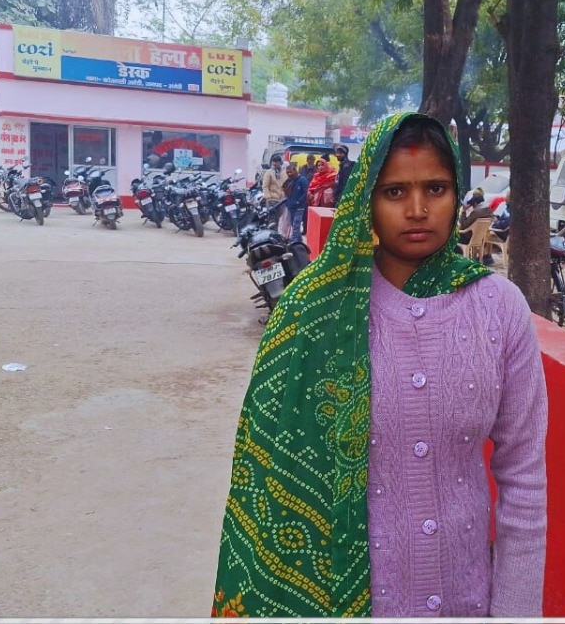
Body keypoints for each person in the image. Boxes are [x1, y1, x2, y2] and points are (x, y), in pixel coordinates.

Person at [212, 112, 547, 618]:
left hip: (467, 601)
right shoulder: (315, 311)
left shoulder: (499, 308)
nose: (417, 210)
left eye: (436, 189)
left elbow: (524, 477)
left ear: (457, 194)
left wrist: (516, 613)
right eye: (394, 192)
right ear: (366, 198)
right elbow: (270, 477)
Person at [284, 161, 309, 242]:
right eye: (287, 173)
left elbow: (306, 193)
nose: (289, 174)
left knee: (296, 224)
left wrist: (299, 201)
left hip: (299, 207)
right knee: (293, 224)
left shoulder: (302, 180)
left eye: (290, 172)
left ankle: (294, 240)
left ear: (295, 170)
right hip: (291, 206)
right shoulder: (289, 180)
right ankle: (298, 240)